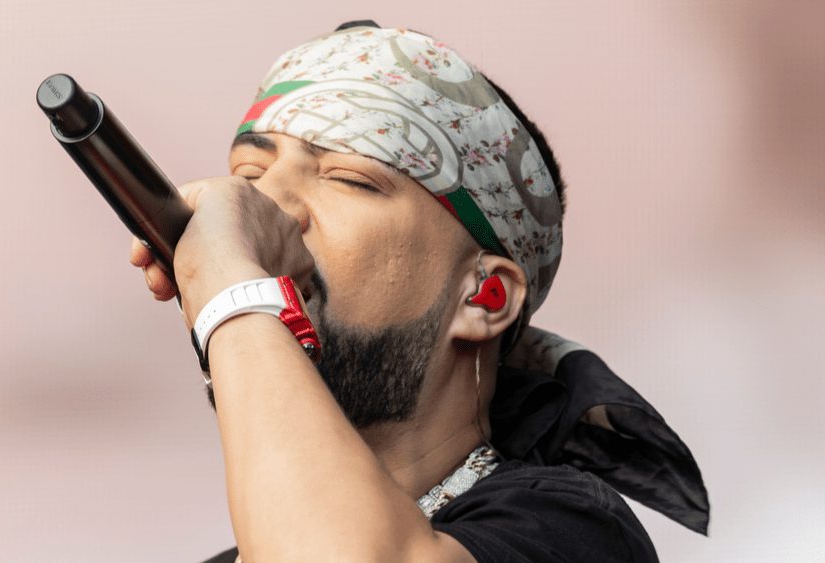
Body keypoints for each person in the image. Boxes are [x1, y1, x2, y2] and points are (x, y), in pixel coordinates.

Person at [130, 21, 709, 562]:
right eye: (249, 177)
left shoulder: (568, 528)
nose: (264, 206)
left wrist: (233, 290)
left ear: (483, 296)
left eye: (349, 179)